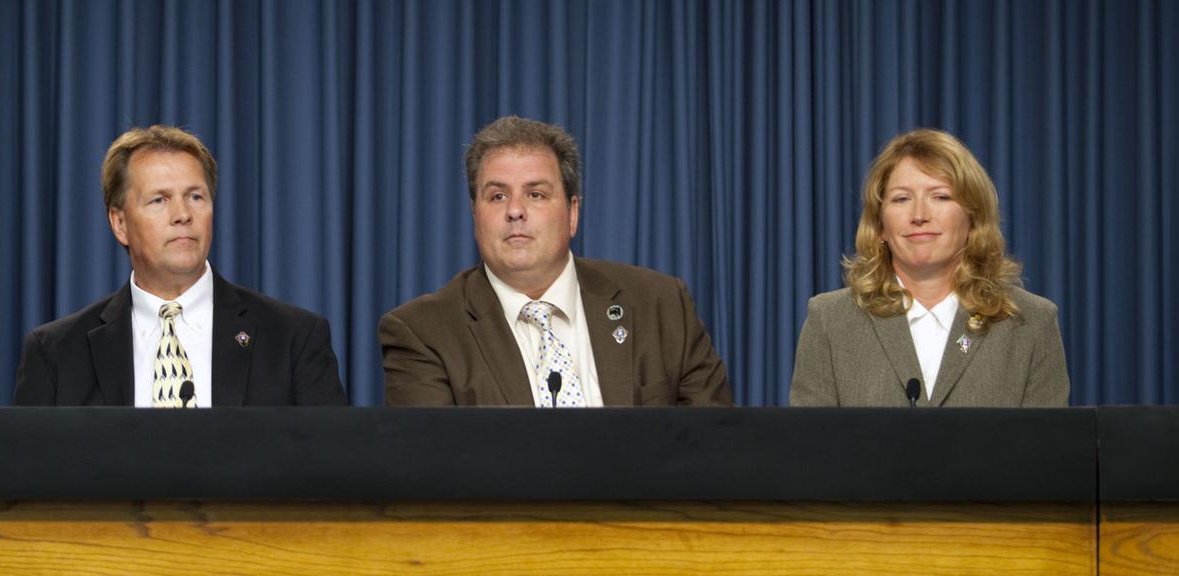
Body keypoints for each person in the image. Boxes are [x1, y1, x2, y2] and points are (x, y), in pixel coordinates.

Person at [378, 116, 731, 406]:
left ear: (572, 213)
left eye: (536, 194)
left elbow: (714, 448)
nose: (515, 211)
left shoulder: (661, 305)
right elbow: (434, 474)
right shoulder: (425, 333)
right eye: (497, 196)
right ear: (475, 215)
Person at [13, 125, 347, 406]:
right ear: (120, 224)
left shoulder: (293, 339)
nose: (182, 215)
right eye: (160, 200)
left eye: (195, 197)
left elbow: (332, 474)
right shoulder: (56, 354)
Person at [789, 128, 1069, 407]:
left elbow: (1051, 448)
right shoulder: (830, 321)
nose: (919, 215)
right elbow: (808, 446)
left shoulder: (1031, 323)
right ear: (880, 226)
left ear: (973, 218)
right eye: (901, 199)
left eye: (940, 196)